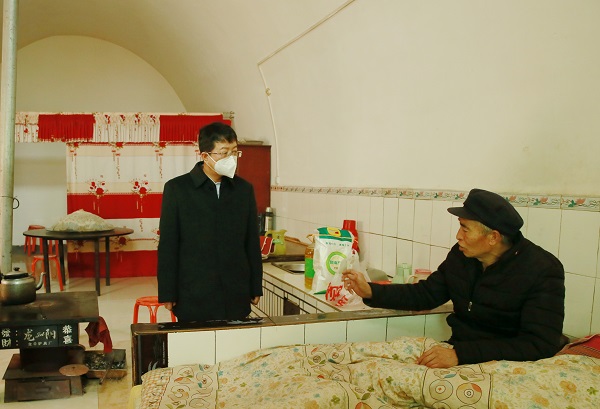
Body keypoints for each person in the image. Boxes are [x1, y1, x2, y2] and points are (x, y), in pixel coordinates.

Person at [342, 188, 565, 368]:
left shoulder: (543, 270)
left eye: (465, 229)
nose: (458, 236)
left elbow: (538, 344)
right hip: (459, 353)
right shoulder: (462, 257)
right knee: (360, 363)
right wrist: (370, 291)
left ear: (493, 237)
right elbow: (425, 294)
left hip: (505, 366)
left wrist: (461, 354)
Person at [157, 122, 263, 322]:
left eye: (235, 152)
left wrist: (255, 285)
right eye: (224, 153)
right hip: (193, 290)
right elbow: (168, 245)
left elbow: (251, 241)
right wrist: (167, 292)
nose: (231, 158)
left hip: (235, 290)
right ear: (205, 156)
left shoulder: (243, 190)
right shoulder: (177, 189)